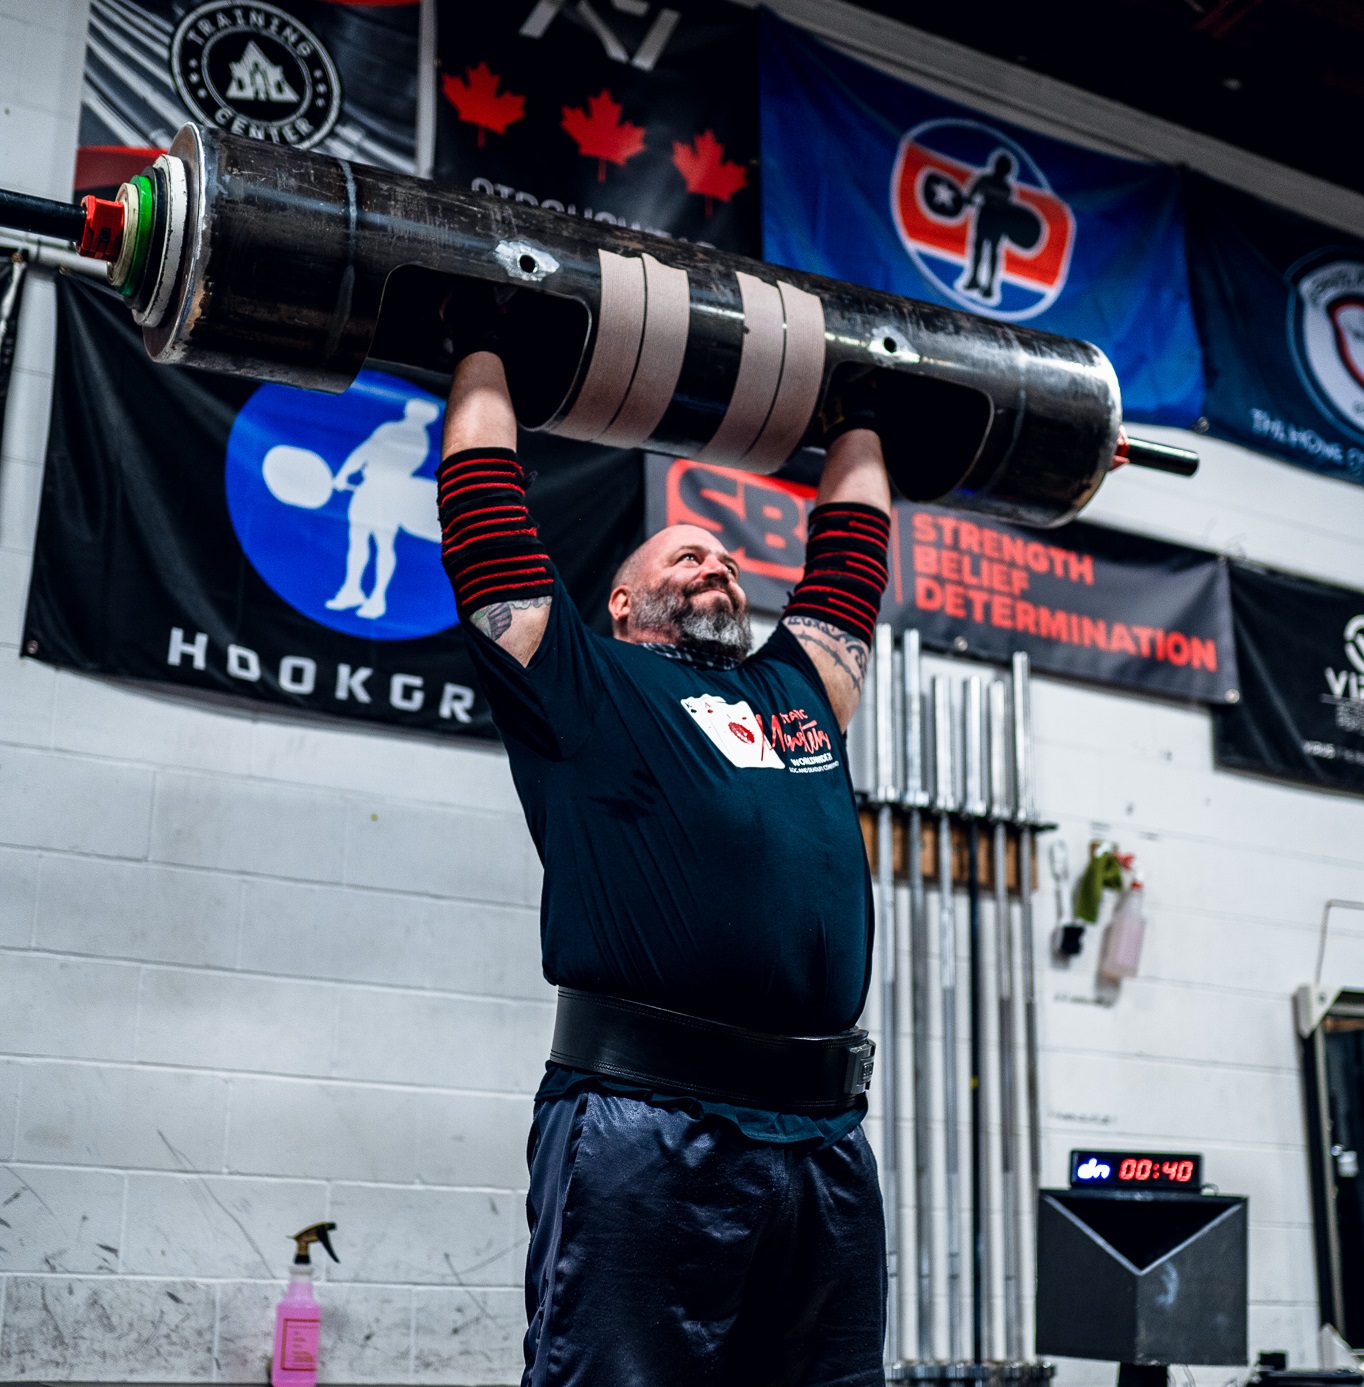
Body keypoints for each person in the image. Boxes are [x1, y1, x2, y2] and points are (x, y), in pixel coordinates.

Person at [436, 347, 893, 1387]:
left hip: (822, 1137)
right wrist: (478, 348)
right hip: (646, 1124)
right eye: (683, 558)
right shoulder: (582, 683)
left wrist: (868, 411)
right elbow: (487, 526)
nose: (716, 567)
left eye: (727, 561)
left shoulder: (795, 692)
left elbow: (849, 566)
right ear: (622, 605)